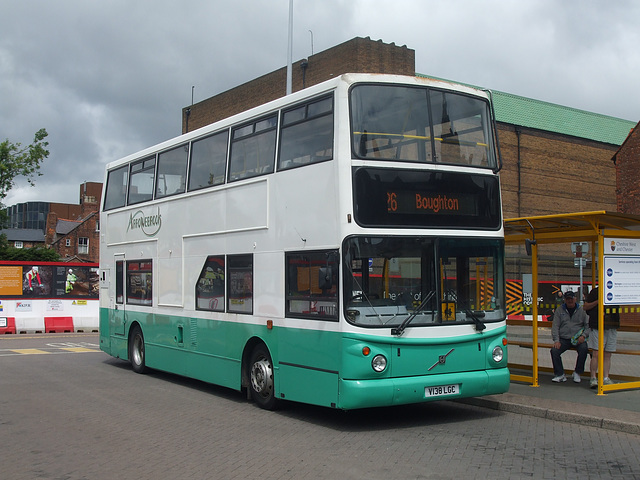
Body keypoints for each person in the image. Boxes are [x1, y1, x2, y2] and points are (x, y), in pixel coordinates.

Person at [550, 290, 589, 383]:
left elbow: (588, 326)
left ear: (575, 299)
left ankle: (577, 372)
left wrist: (583, 336)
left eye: (571, 299)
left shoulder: (582, 310)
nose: (570, 301)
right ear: (565, 300)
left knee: (584, 349)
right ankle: (560, 374)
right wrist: (556, 340)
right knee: (554, 351)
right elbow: (555, 326)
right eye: (567, 299)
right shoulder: (559, 310)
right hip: (564, 339)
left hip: (578, 338)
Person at [584, 286, 619, 388]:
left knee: (608, 354)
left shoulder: (615, 291)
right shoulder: (595, 292)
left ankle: (605, 377)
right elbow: (585, 307)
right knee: (596, 353)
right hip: (597, 326)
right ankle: (593, 377)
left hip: (611, 325)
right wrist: (598, 301)